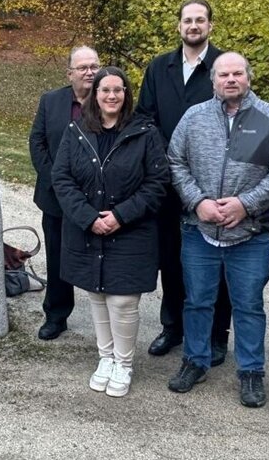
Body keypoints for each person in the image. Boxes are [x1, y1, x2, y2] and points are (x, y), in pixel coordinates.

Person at [165, 52, 269, 407]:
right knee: (197, 301)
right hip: (199, 230)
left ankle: (251, 372)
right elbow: (175, 161)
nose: (231, 79)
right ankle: (195, 360)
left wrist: (246, 204)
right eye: (224, 74)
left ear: (248, 78)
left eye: (238, 73)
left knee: (249, 305)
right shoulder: (194, 118)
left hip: (250, 234)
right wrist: (197, 201)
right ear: (214, 81)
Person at [52, 67, 169, 397]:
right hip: (89, 229)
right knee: (97, 295)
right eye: (105, 90)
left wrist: (120, 215)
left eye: (118, 90)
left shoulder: (145, 132)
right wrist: (90, 218)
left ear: (126, 94)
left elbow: (157, 183)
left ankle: (124, 363)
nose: (112, 96)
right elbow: (62, 179)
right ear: (96, 94)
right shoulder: (77, 131)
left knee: (123, 301)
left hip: (131, 230)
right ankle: (105, 358)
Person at [136, 0, 233, 364]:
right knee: (171, 259)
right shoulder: (160, 67)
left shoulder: (223, 67)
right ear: (179, 26)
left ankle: (216, 335)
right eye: (187, 20)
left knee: (215, 259)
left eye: (200, 20)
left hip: (210, 181)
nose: (193, 26)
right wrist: (168, 157)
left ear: (210, 25)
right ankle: (172, 326)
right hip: (165, 180)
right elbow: (145, 117)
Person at [29, 46, 100, 340]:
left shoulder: (108, 99)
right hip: (55, 198)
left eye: (94, 66)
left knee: (98, 257)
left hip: (95, 198)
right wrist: (56, 181)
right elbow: (38, 141)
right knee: (57, 257)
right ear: (69, 73)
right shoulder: (51, 101)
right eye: (82, 67)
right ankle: (56, 316)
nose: (89, 72)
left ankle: (106, 324)